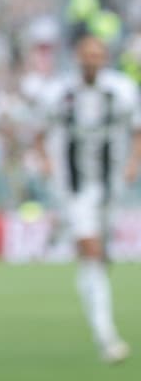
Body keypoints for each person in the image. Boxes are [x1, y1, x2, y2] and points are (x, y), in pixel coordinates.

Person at [36, 33, 141, 364]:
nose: (92, 60)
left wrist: (133, 164)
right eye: (87, 54)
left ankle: (67, 235)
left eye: (98, 54)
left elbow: (138, 131)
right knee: (92, 249)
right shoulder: (59, 93)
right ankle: (106, 336)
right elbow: (38, 134)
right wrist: (47, 163)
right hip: (75, 186)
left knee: (99, 255)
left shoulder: (122, 91)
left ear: (105, 58)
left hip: (111, 185)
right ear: (76, 57)